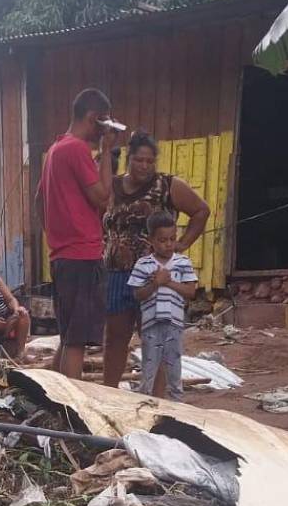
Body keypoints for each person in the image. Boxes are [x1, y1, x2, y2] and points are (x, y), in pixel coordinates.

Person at [102, 131, 210, 387]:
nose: (144, 166)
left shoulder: (167, 186)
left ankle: (159, 400)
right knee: (116, 337)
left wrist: (182, 244)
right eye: (139, 160)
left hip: (155, 275)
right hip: (118, 273)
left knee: (154, 336)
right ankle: (110, 395)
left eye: (150, 161)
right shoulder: (114, 186)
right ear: (129, 159)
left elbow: (201, 211)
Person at [37, 87, 117, 378]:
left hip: (62, 256)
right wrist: (106, 152)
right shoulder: (77, 149)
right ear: (93, 118)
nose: (104, 131)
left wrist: (57, 234)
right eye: (104, 123)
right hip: (82, 256)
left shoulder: (55, 151)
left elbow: (38, 202)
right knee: (76, 342)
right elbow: (103, 197)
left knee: (69, 335)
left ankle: (54, 401)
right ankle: (72, 414)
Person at [128, 211, 197, 400]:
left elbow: (190, 292)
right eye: (162, 240)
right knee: (149, 367)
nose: (168, 244)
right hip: (151, 325)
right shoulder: (143, 264)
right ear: (151, 240)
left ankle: (177, 407)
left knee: (174, 366)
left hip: (174, 324)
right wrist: (155, 284)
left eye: (172, 239)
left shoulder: (183, 262)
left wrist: (167, 282)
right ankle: (144, 403)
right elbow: (138, 294)